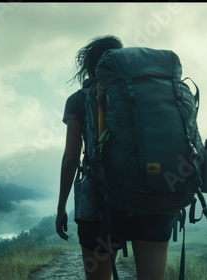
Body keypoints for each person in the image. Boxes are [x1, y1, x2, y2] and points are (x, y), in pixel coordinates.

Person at [55, 35, 174, 280]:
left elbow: (70, 158)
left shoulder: (79, 99)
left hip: (101, 204)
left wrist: (61, 207)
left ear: (88, 66)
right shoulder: (148, 92)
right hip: (153, 199)